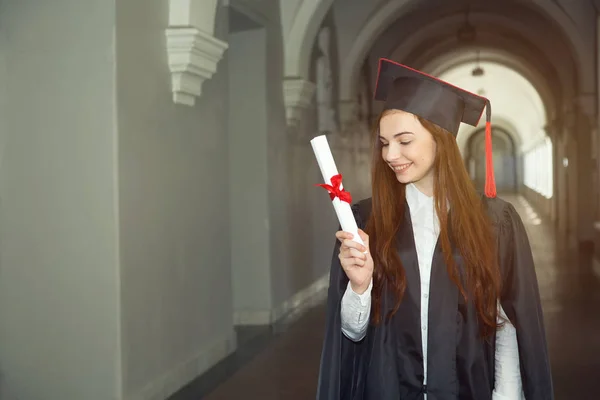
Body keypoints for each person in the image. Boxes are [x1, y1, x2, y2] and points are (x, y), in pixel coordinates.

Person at [315, 58, 553, 399]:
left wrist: (506, 395)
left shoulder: (494, 222)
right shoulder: (366, 221)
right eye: (384, 142)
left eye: (404, 140)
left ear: (440, 140)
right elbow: (351, 334)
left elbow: (507, 324)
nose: (390, 154)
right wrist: (359, 286)